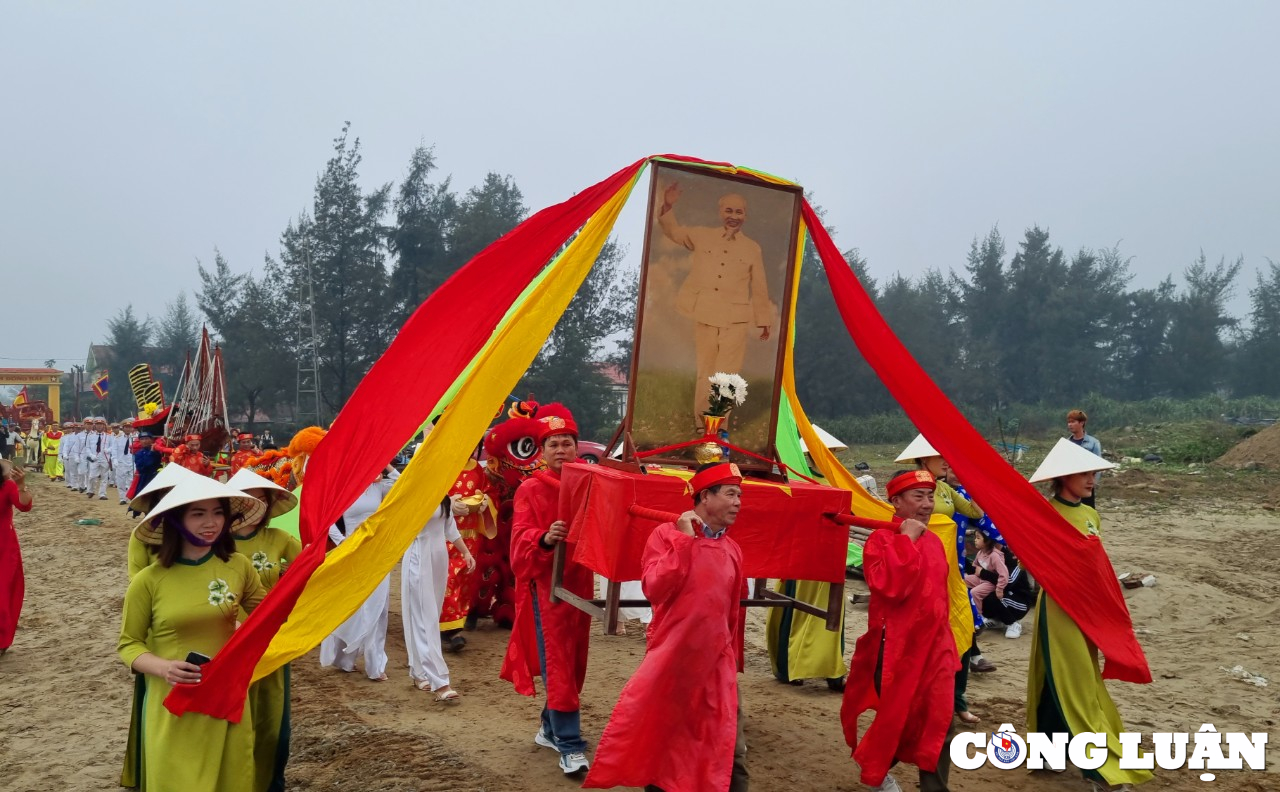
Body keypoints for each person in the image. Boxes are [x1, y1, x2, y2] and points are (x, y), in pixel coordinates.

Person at [584, 462, 750, 792]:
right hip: (673, 662)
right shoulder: (665, 536)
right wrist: (684, 542)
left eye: (740, 495)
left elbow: (732, 614)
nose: (738, 503)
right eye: (731, 494)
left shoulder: (732, 550)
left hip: (717, 665)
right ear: (705, 496)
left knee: (729, 749)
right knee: (666, 745)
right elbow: (655, 588)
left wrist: (729, 657)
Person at [116, 476, 266, 791]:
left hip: (227, 698)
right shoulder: (149, 580)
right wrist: (164, 668)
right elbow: (129, 645)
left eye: (218, 512)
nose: (211, 523)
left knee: (231, 778)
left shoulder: (239, 567)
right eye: (198, 514)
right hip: (174, 701)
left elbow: (271, 614)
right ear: (176, 519)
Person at [1027, 439, 1153, 791]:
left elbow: (1095, 567)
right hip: (1060, 610)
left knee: (1064, 679)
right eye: (1085, 473)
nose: (1091, 480)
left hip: (1089, 613)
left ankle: (1045, 754)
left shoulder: (1090, 514)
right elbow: (1033, 562)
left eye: (1094, 473)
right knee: (1077, 682)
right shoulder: (1044, 514)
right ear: (1063, 477)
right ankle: (1097, 769)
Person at [842, 470, 958, 792]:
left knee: (940, 721)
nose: (927, 504)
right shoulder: (881, 540)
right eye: (918, 497)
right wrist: (906, 539)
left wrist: (951, 645)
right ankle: (875, 768)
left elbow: (940, 598)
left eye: (930, 496)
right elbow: (889, 587)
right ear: (895, 501)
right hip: (896, 651)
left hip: (936, 650)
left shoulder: (935, 542)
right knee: (899, 719)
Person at [499, 403, 594, 777]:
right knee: (557, 662)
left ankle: (550, 729)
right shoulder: (530, 489)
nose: (560, 449)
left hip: (581, 585)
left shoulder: (591, 481)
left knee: (573, 662)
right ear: (541, 451)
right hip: (547, 588)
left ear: (577, 446)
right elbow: (519, 541)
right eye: (553, 443)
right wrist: (544, 538)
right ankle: (570, 745)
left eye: (566, 442)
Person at [656, 181, 776, 427]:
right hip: (705, 313)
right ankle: (702, 426)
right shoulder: (702, 235)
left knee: (728, 376)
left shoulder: (753, 248)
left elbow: (760, 286)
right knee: (706, 371)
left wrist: (763, 321)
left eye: (739, 212)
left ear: (746, 215)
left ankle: (718, 426)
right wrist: (668, 204)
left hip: (736, 320)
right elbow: (674, 232)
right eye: (729, 211)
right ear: (720, 212)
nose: (733, 216)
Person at [226, 467, 302, 792]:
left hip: (269, 644)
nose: (252, 508)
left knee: (271, 724)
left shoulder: (283, 540)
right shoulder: (216, 543)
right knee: (234, 720)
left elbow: (307, 579)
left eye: (260, 501)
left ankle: (269, 783)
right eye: (245, 501)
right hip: (226, 644)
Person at [319, 464, 400, 681]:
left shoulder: (379, 486)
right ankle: (344, 658)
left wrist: (387, 465)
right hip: (352, 552)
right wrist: (343, 543)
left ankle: (375, 665)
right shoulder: (343, 487)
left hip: (377, 551)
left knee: (379, 606)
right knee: (352, 605)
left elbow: (402, 486)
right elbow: (327, 521)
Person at [403, 492, 476, 701]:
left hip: (438, 557)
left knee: (429, 617)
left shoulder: (442, 494)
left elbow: (449, 528)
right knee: (424, 619)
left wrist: (466, 553)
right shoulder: (414, 490)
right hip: (418, 557)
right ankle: (440, 681)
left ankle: (418, 673)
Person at [440, 438, 496, 652]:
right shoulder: (444, 468)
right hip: (446, 533)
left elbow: (489, 493)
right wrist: (448, 503)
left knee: (464, 577)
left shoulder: (478, 471)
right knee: (447, 578)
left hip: (471, 535)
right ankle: (449, 629)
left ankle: (455, 623)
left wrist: (485, 503)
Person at [0, 459, 34, 656]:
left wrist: (21, 486)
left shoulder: (8, 485)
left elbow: (24, 506)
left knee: (3, 594)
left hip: (4, 547)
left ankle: (2, 640)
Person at [964, 530, 1008, 620]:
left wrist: (999, 589)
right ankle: (967, 610)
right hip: (982, 579)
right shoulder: (980, 553)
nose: (975, 540)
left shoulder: (994, 556)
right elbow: (975, 566)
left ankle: (979, 617)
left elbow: (1004, 574)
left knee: (974, 592)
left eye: (978, 538)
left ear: (987, 541)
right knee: (962, 580)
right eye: (975, 537)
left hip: (991, 583)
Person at [1067, 409, 1104, 508]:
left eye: (1073, 422)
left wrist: (1092, 483)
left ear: (1082, 423)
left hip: (1085, 484)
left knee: (1087, 510)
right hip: (1070, 484)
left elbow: (1098, 465)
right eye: (1069, 422)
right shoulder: (1066, 443)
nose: (1070, 425)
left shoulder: (1093, 443)